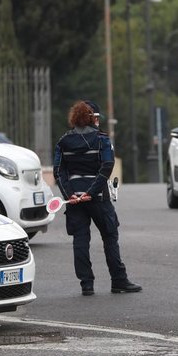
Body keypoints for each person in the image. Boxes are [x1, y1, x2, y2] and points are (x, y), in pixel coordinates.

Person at [53, 99, 142, 296]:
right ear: (91, 117)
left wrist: (70, 195)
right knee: (110, 235)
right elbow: (107, 166)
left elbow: (58, 172)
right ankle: (119, 281)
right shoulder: (101, 139)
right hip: (98, 197)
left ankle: (87, 284)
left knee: (80, 239)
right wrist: (91, 192)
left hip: (74, 199)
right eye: (97, 117)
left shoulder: (63, 141)